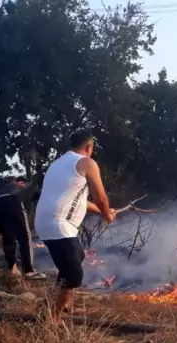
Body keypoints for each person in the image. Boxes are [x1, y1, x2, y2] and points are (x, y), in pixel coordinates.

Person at [35, 129, 116, 315]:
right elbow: (101, 198)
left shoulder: (58, 164)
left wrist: (104, 213)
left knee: (76, 257)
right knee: (73, 274)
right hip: (58, 223)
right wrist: (108, 213)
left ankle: (63, 305)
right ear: (89, 147)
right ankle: (53, 319)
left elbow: (81, 201)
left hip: (46, 222)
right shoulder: (87, 163)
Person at [0, 176, 47, 280]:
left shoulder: (4, 188)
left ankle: (12, 268)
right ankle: (29, 271)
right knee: (25, 238)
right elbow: (46, 194)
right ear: (21, 183)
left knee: (8, 235)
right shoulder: (28, 188)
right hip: (12, 201)